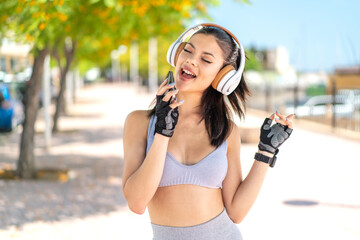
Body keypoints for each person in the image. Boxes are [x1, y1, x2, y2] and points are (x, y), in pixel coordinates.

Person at [122, 23, 294, 240]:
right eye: (188, 50)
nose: (191, 60)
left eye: (206, 59)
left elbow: (236, 212)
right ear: (176, 54)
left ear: (223, 78)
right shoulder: (138, 122)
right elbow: (136, 203)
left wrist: (266, 150)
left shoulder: (226, 130)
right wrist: (162, 133)